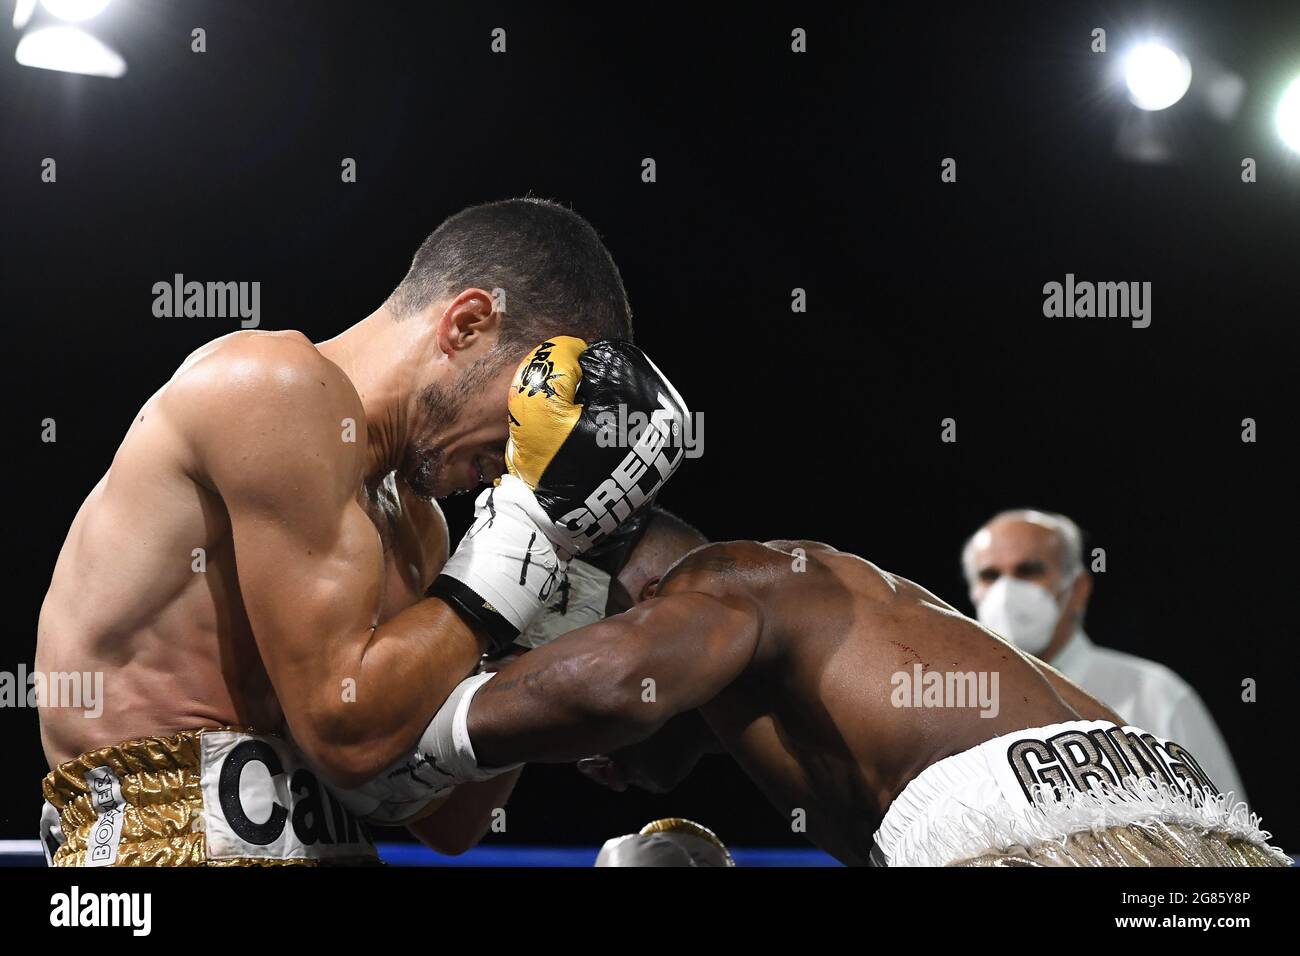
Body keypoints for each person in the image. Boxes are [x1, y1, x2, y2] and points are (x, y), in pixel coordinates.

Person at [35, 198, 689, 866]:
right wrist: (530, 546)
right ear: (468, 324)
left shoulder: (421, 529)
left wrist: (547, 610)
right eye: (536, 402)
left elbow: (451, 822)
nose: (536, 452)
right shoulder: (271, 387)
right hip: (155, 844)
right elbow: (343, 736)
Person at [390, 511, 1287, 867]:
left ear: (629, 604)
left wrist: (412, 739)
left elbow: (621, 683)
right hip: (1196, 838)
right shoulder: (852, 630)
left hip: (1035, 835)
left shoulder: (722, 577)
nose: (588, 758)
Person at [963, 508, 1247, 802]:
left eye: (1029, 571)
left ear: (1078, 589)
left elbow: (1232, 834)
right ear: (973, 591)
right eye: (990, 575)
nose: (1006, 591)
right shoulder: (960, 703)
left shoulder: (1157, 696)